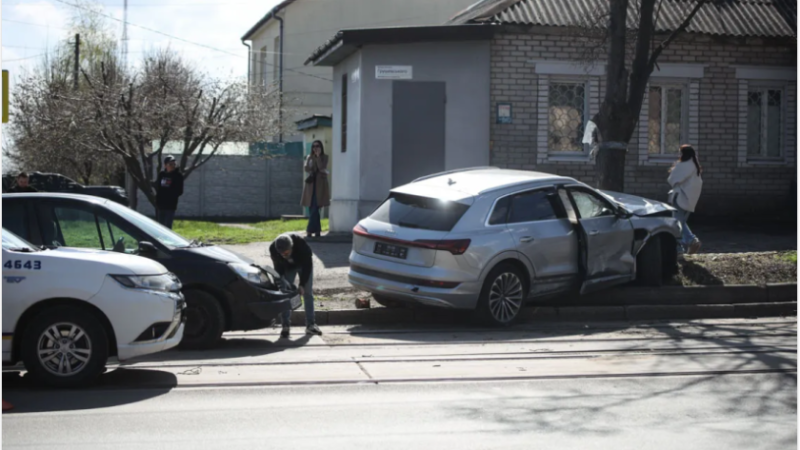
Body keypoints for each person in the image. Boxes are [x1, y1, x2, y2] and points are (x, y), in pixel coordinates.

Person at [269, 234, 322, 338]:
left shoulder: (301, 245)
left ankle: (311, 325)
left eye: (287, 252)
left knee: (307, 293)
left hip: (303, 265)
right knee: (285, 293)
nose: (284, 255)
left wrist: (302, 284)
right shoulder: (274, 249)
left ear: (292, 247)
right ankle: (285, 325)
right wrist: (282, 283)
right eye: (282, 254)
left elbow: (307, 266)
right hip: (287, 268)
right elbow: (278, 269)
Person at [668, 144, 703, 255]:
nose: (679, 155)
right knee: (681, 222)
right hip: (689, 199)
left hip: (680, 197)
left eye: (680, 152)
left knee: (677, 223)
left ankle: (681, 247)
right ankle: (691, 241)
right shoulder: (695, 166)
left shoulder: (685, 165)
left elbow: (673, 178)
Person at [301, 141, 331, 238]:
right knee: (312, 209)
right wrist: (310, 163)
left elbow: (322, 167)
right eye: (314, 146)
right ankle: (317, 231)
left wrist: (318, 158)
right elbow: (306, 168)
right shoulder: (309, 157)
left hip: (320, 186)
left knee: (315, 208)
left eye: (317, 146)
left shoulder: (324, 157)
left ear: (321, 147)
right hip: (311, 186)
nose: (315, 148)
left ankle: (310, 230)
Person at [155, 156, 184, 229]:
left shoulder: (178, 176)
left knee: (167, 226)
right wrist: (158, 201)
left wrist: (170, 195)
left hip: (170, 205)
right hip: (161, 205)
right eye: (170, 164)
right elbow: (158, 188)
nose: (173, 166)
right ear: (165, 165)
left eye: (174, 164)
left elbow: (180, 191)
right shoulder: (161, 174)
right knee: (160, 226)